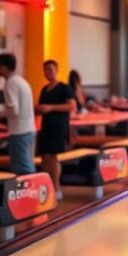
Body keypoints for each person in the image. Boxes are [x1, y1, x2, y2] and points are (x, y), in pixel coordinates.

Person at [37, 60, 76, 198]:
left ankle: (56, 186)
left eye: (50, 69)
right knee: (44, 156)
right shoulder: (44, 89)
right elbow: (41, 106)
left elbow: (71, 106)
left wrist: (52, 107)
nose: (48, 72)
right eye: (45, 70)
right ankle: (47, 185)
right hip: (46, 126)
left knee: (53, 156)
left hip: (59, 126)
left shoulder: (64, 88)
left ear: (56, 70)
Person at [0, 53, 35, 174]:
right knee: (28, 167)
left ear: (4, 67)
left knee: (23, 171)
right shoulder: (21, 81)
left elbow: (13, 110)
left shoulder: (10, 83)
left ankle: (28, 193)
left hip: (19, 133)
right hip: (29, 130)